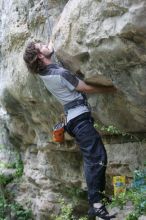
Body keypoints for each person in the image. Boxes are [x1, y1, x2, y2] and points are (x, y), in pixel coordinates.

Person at [23, 41, 117, 219]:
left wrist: (49, 49)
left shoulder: (45, 73)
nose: (45, 44)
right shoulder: (60, 73)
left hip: (73, 120)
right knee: (96, 158)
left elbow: (49, 60)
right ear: (40, 56)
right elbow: (85, 88)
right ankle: (96, 204)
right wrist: (111, 88)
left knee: (94, 158)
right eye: (41, 45)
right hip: (79, 119)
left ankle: (95, 204)